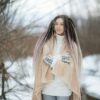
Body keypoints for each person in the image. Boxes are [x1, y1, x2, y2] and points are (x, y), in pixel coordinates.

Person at [32, 15, 83, 100]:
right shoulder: (46, 44)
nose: (58, 26)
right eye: (56, 24)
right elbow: (43, 61)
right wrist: (60, 61)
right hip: (47, 87)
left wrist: (52, 61)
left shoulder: (72, 45)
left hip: (63, 88)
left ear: (66, 27)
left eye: (62, 24)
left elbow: (71, 66)